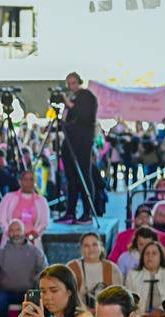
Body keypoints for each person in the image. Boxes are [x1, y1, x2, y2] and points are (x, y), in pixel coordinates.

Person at [0, 219, 48, 317]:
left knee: (39, 303)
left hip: (28, 291)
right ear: (8, 233)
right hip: (6, 290)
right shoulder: (0, 251)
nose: (15, 233)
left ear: (23, 231)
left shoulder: (35, 251)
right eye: (12, 230)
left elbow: (44, 270)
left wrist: (35, 279)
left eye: (18, 230)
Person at [59, 72, 98, 224]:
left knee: (83, 175)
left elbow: (85, 115)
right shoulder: (73, 97)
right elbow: (66, 120)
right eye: (69, 83)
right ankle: (70, 211)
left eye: (74, 83)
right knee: (70, 177)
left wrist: (68, 104)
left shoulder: (87, 96)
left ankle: (87, 212)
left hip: (82, 140)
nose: (71, 86)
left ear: (79, 82)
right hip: (69, 140)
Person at [68, 233, 123, 310]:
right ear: (81, 249)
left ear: (101, 247)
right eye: (86, 246)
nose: (91, 249)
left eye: (94, 244)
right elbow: (68, 296)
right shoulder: (72, 267)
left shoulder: (112, 268)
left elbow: (118, 297)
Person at [0, 170, 49, 245]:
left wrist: (35, 233)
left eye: (31, 179)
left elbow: (44, 223)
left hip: (32, 241)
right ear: (20, 181)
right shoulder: (8, 198)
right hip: (11, 240)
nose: (29, 183)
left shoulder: (42, 201)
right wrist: (11, 232)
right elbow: (2, 219)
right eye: (25, 179)